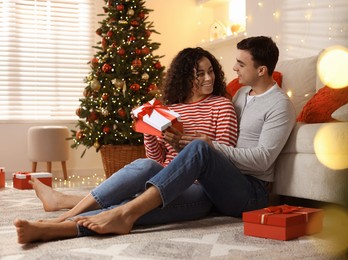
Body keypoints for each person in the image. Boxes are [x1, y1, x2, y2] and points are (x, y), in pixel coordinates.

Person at [14, 36, 296, 244]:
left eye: (238, 64)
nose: (230, 70)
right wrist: (156, 132)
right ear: (186, 77)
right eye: (202, 73)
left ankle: (73, 223)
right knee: (145, 166)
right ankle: (66, 214)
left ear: (261, 70)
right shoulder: (242, 96)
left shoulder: (258, 104)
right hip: (178, 176)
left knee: (193, 152)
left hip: (237, 189)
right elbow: (157, 160)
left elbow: (245, 157)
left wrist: (203, 145)